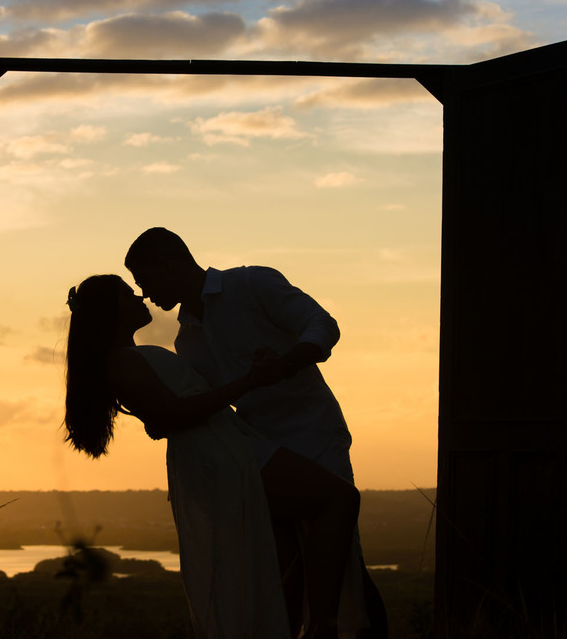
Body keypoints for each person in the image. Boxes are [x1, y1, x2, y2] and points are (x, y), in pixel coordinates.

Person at [125, 228, 389, 639]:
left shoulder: (251, 284)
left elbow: (321, 325)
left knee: (344, 564)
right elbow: (212, 403)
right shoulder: (187, 342)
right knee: (283, 564)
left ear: (166, 265)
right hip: (261, 453)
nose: (145, 294)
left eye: (146, 282)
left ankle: (330, 630)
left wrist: (287, 363)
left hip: (315, 432)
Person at [64, 274, 360, 639]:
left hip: (227, 444)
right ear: (111, 310)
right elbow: (173, 413)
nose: (140, 297)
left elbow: (164, 414)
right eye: (129, 294)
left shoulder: (131, 357)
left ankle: (304, 627)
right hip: (219, 453)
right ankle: (323, 628)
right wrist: (249, 382)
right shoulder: (122, 362)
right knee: (338, 499)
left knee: (281, 566)